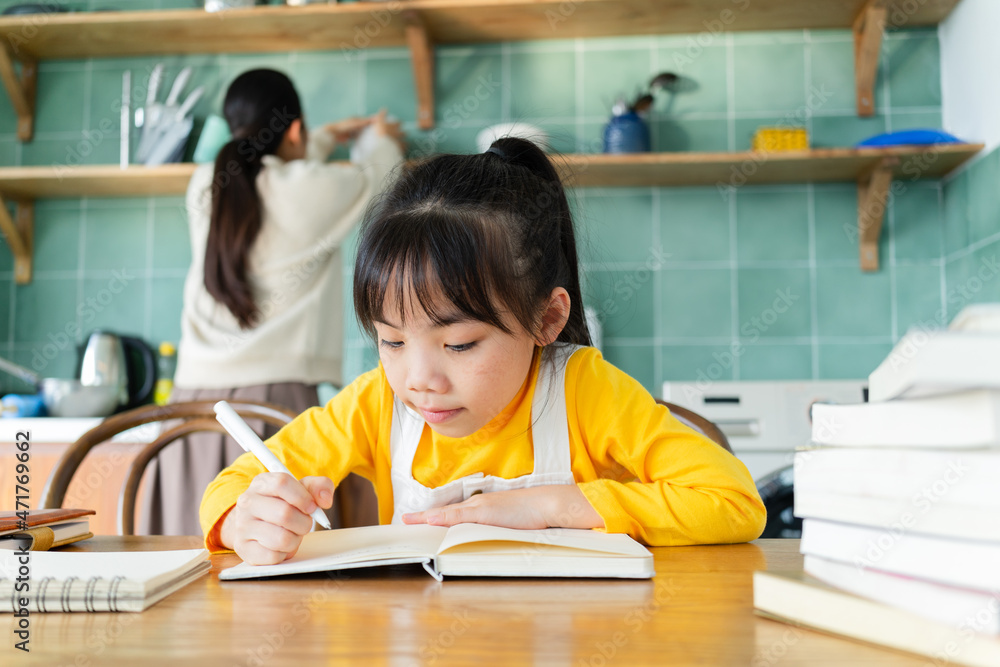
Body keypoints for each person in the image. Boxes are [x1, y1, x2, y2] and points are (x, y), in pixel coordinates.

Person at [200, 138, 765, 564]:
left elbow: (734, 501)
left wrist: (551, 508)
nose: (419, 379)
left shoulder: (581, 390)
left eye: (459, 343)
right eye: (391, 341)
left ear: (547, 318)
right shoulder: (378, 402)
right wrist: (242, 522)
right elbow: (228, 489)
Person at [139, 68, 404, 536]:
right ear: (294, 130)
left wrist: (317, 138)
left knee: (195, 574)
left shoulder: (204, 183)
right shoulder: (314, 188)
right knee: (282, 566)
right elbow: (382, 179)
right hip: (274, 408)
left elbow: (272, 170)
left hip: (189, 411)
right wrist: (381, 138)